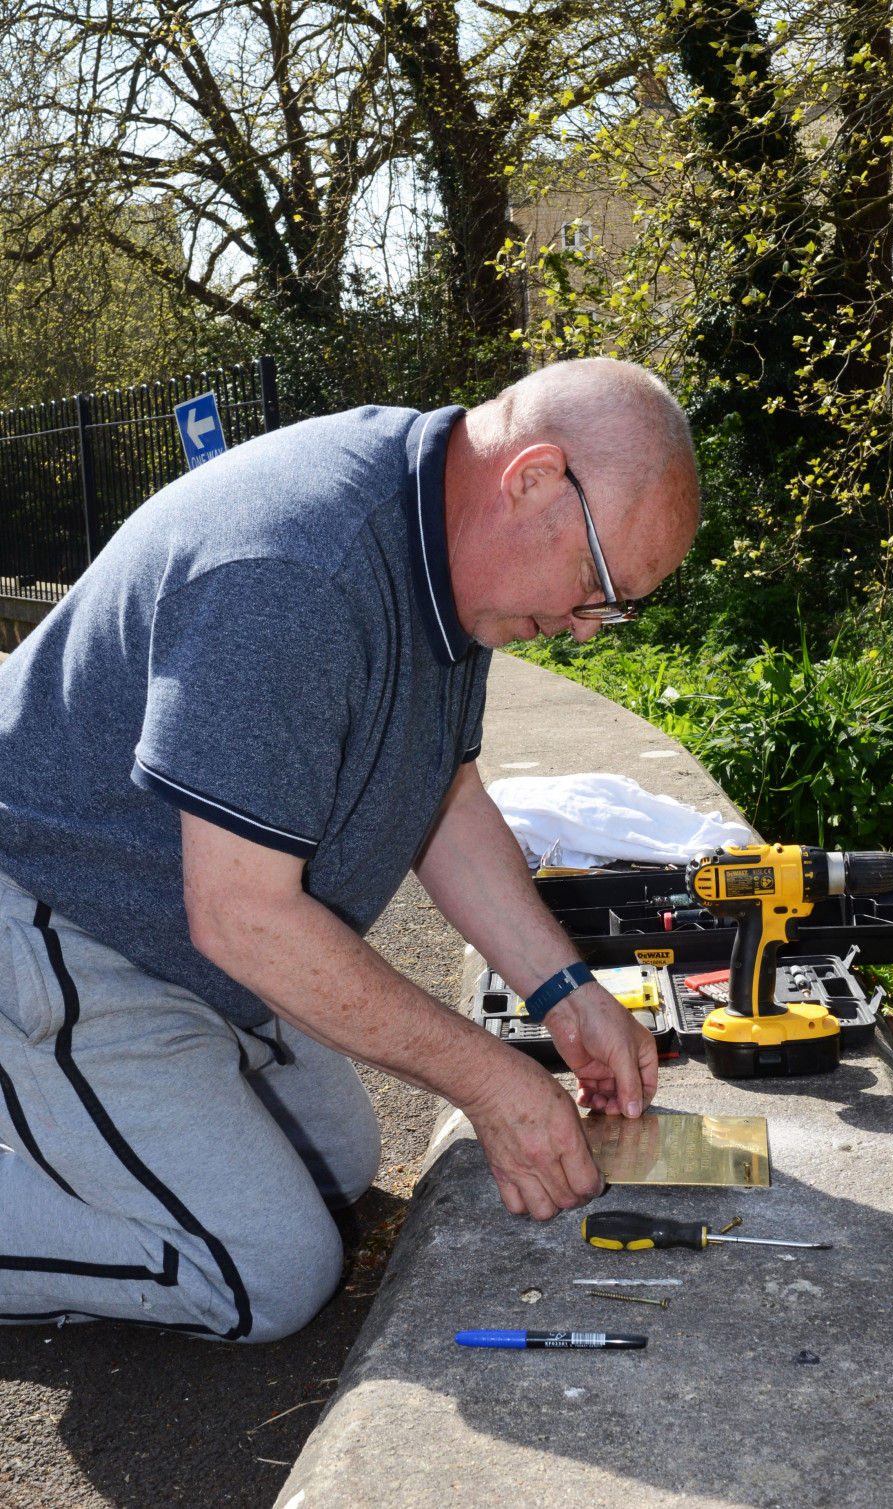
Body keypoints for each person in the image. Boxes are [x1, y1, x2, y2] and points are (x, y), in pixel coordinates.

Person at [0, 357, 699, 1342]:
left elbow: (443, 800)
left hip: (181, 941)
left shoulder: (440, 552)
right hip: (54, 919)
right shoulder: (299, 573)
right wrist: (487, 1077)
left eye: (613, 608)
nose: (586, 629)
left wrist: (565, 992)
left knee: (333, 1161)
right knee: (264, 1272)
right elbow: (242, 914)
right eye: (595, 584)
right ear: (535, 477)